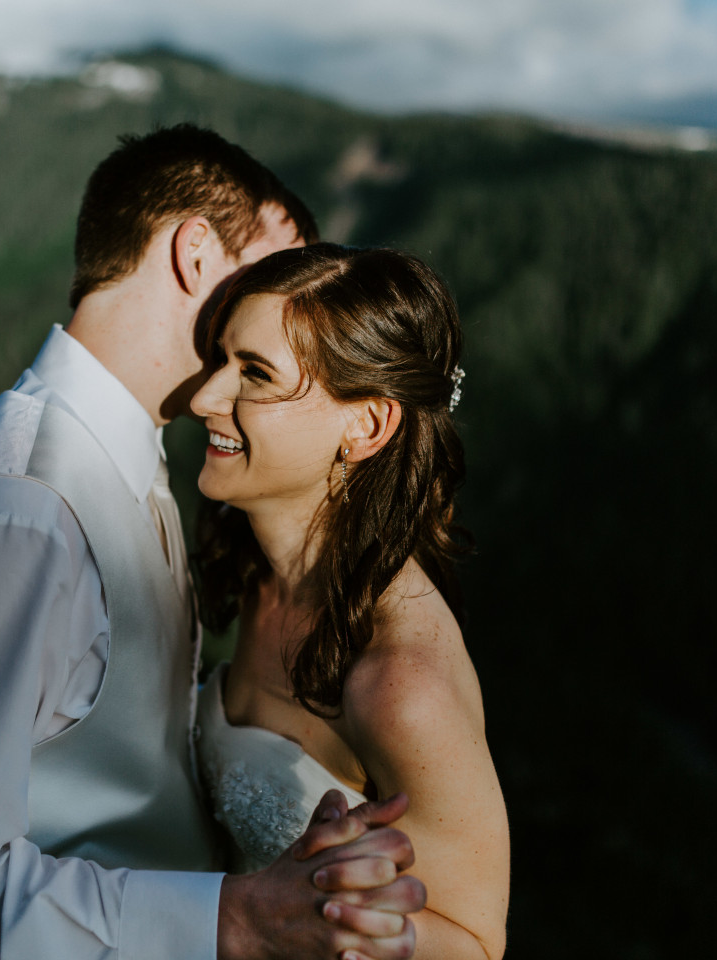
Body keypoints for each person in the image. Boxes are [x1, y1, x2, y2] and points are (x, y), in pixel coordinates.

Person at [0, 126, 427, 960]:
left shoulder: (137, 463)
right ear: (197, 253)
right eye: (276, 276)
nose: (294, 326)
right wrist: (235, 919)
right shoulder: (17, 510)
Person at [190, 244, 511, 958]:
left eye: (255, 375)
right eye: (221, 360)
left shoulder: (403, 684)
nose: (204, 398)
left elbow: (476, 944)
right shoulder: (258, 571)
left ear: (364, 426)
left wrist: (334, 911)